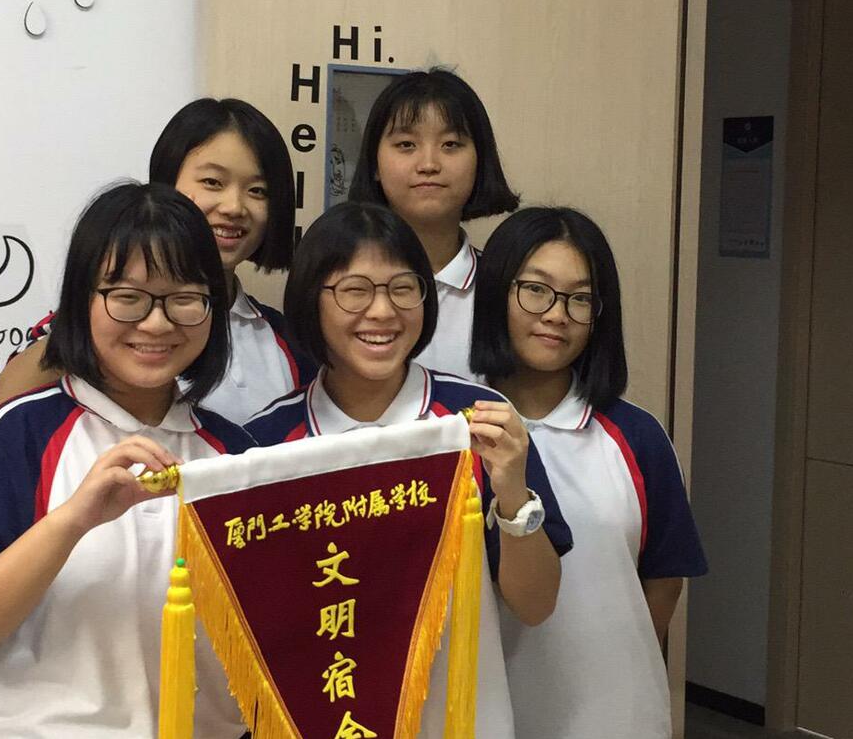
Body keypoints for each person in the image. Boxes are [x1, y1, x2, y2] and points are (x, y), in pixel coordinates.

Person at [0, 182, 256, 738]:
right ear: (81, 300)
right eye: (127, 296)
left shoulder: (236, 454)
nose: (157, 323)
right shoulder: (17, 434)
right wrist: (73, 521)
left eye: (184, 297)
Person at [245, 200, 570, 738]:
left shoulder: (477, 422)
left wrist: (513, 492)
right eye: (354, 290)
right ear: (309, 300)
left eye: (403, 288)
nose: (382, 312)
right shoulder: (265, 443)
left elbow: (536, 605)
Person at [471, 206, 707, 739]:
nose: (557, 314)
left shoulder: (638, 437)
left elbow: (664, 580)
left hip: (614, 716)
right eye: (536, 290)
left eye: (580, 299)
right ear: (496, 293)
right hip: (488, 715)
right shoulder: (453, 424)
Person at [0, 98, 314, 422]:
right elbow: (11, 407)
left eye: (258, 191)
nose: (234, 206)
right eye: (212, 182)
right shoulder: (99, 318)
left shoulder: (285, 340)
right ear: (165, 184)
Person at [348, 68, 519, 380]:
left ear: (480, 160)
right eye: (406, 144)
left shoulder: (510, 293)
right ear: (374, 164)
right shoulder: (337, 286)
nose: (429, 164)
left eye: (451, 144)